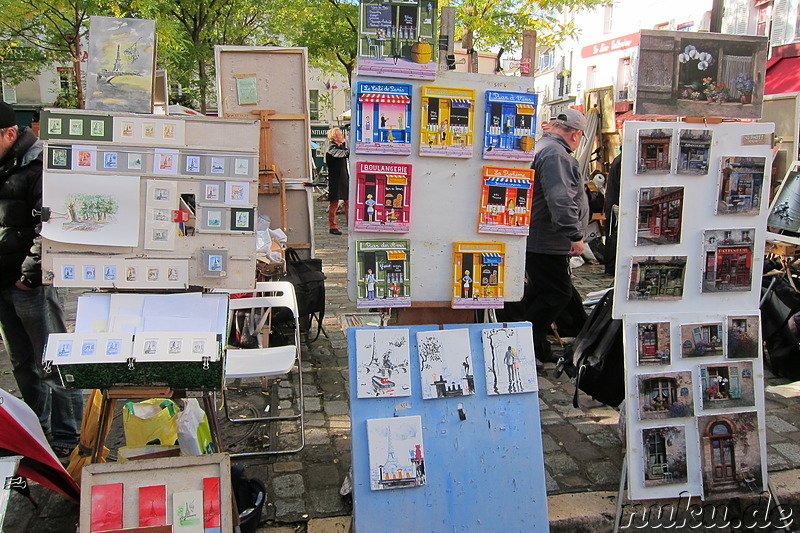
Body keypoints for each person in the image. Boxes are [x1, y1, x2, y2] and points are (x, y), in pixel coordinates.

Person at [0, 101, 83, 457]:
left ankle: (68, 436)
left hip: (29, 284)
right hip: (2, 281)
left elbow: (51, 226)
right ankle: (37, 430)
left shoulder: (40, 163)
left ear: (8, 133)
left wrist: (30, 276)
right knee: (21, 362)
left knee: (53, 360)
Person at [526, 108, 590, 364]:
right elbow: (560, 197)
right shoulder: (555, 154)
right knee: (556, 294)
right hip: (547, 240)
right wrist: (574, 234)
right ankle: (527, 341)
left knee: (545, 292)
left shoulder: (546, 147)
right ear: (576, 135)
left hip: (543, 238)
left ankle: (538, 348)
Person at [325, 127, 349, 235]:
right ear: (335, 137)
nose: (342, 136)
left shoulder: (342, 147)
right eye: (340, 135)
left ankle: (350, 224)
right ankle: (332, 226)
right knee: (334, 203)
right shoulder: (331, 148)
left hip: (344, 177)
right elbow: (342, 154)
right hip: (335, 179)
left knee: (348, 202)